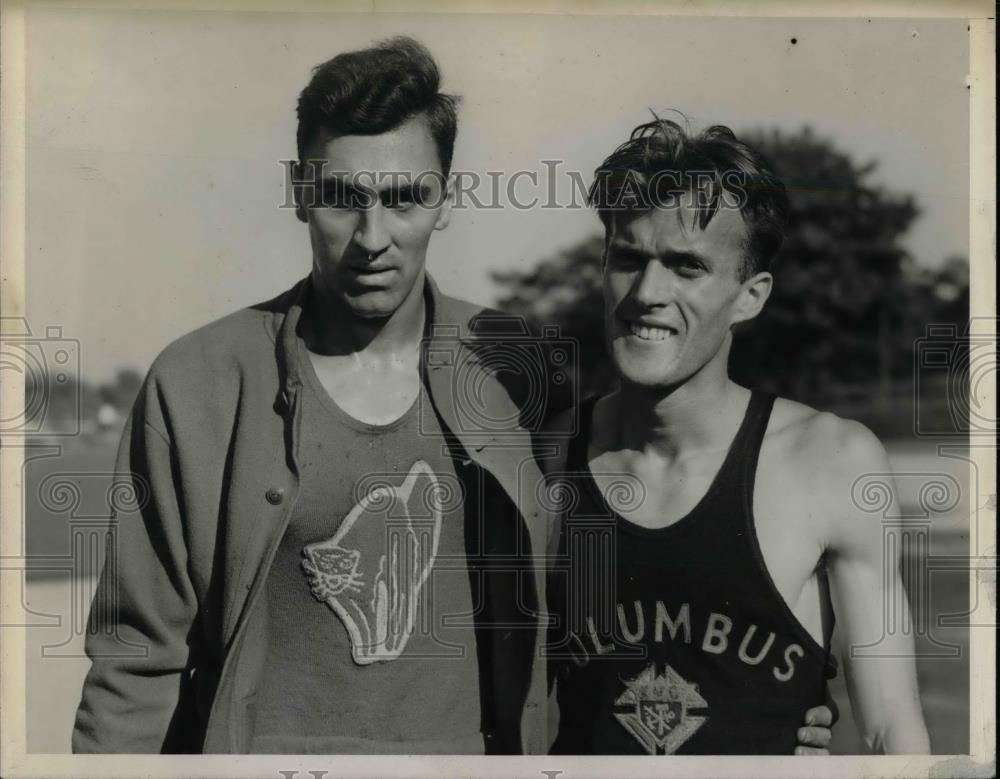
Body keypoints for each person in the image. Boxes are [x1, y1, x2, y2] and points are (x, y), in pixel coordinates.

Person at [72, 36, 833, 756]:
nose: (374, 236)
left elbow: (626, 593)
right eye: (343, 197)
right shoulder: (200, 382)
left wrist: (774, 716)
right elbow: (133, 664)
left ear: (446, 200)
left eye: (405, 198)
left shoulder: (521, 371)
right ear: (299, 194)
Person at [542, 118, 931, 755]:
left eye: (686, 267)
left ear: (749, 297)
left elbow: (893, 729)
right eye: (629, 259)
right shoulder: (545, 458)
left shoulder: (832, 461)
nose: (647, 294)